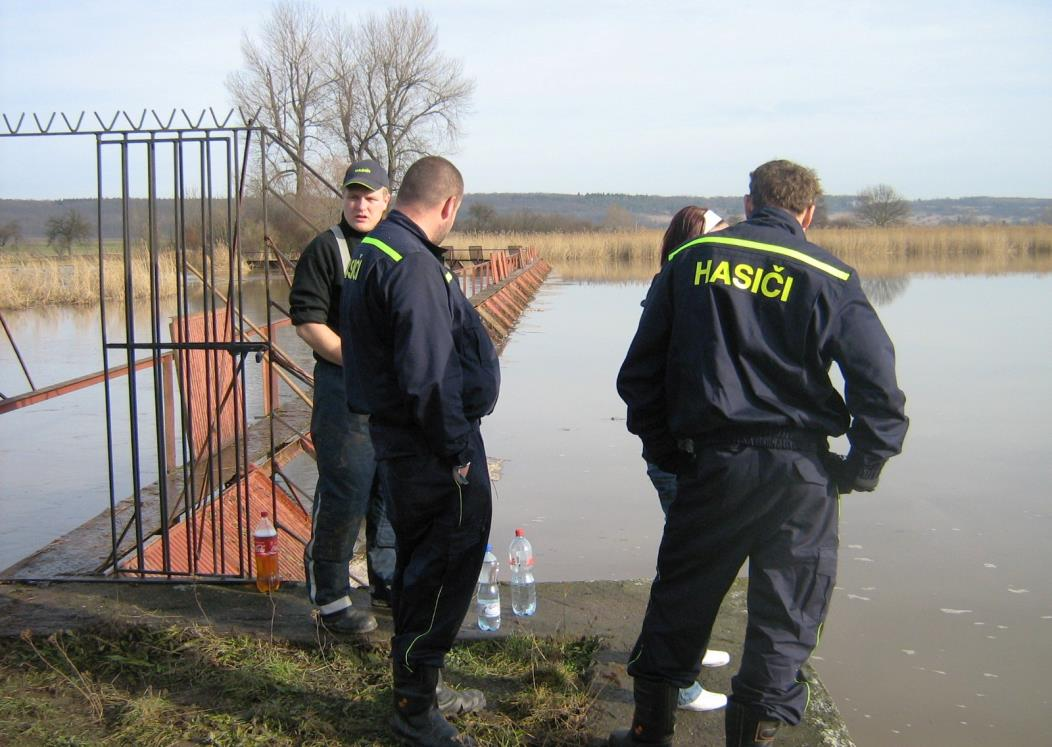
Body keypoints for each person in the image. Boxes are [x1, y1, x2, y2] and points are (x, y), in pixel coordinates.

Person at [611, 160, 908, 747]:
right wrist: (858, 469)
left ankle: (649, 734)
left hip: (713, 464)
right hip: (801, 472)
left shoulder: (689, 262)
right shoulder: (830, 274)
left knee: (681, 599)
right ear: (808, 212)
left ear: (749, 204)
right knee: (786, 618)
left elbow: (640, 375)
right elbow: (880, 393)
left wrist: (669, 451)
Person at [341, 155, 500, 747]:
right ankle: (414, 711)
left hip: (406, 444)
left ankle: (422, 687)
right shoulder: (410, 263)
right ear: (450, 206)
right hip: (432, 450)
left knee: (418, 567)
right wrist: (457, 449)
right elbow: (428, 375)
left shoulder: (376, 250)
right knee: (442, 570)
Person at [289, 159, 396, 636]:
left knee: (390, 492)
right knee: (345, 490)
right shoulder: (324, 249)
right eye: (354, 196)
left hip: (393, 392)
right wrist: (357, 361)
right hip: (343, 388)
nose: (361, 205)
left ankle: (389, 585)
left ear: (386, 200)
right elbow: (309, 323)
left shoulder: (398, 247)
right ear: (344, 199)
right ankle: (331, 596)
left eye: (370, 197)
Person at [642, 206, 733, 714]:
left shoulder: (686, 284)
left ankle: (686, 653)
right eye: (715, 232)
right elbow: (647, 378)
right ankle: (678, 680)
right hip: (678, 452)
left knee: (689, 559)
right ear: (690, 241)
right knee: (686, 566)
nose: (724, 241)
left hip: (683, 449)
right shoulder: (676, 287)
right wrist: (667, 448)